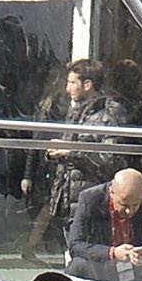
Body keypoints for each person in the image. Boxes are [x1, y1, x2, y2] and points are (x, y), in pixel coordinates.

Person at [30, 59, 125, 254]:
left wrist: (71, 153)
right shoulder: (76, 113)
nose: (68, 89)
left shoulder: (107, 115)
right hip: (70, 201)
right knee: (76, 254)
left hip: (92, 203)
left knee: (89, 256)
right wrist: (57, 153)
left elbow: (110, 159)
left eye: (73, 83)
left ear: (88, 84)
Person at [67, 168, 142, 281]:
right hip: (101, 267)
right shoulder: (90, 199)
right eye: (124, 204)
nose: (129, 211)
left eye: (136, 205)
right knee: (77, 266)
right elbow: (75, 245)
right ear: (112, 192)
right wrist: (112, 253)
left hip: (140, 269)